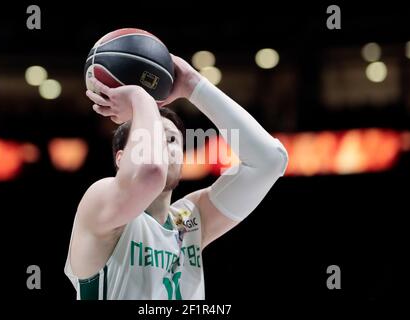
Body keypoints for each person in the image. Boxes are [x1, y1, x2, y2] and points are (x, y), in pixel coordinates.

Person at [64, 54, 288, 300]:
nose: (164, 146)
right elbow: (150, 173)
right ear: (120, 158)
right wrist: (141, 97)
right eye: (155, 136)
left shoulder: (189, 220)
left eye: (172, 139)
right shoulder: (99, 201)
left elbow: (270, 161)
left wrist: (193, 85)